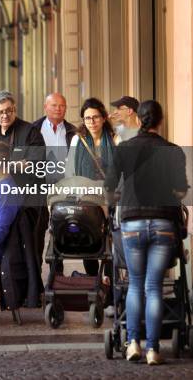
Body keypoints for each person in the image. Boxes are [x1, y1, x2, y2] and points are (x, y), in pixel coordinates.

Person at [105, 100, 188, 365]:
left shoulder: (124, 149)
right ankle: (153, 349)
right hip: (164, 222)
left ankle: (133, 345)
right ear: (161, 121)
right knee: (154, 287)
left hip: (132, 222)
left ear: (139, 121)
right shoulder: (173, 151)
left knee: (134, 285)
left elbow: (109, 188)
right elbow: (181, 192)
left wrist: (121, 196)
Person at [0, 90, 46, 266]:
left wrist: (5, 167)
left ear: (15, 109)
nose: (5, 115)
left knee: (31, 252)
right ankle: (11, 292)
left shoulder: (30, 132)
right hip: (3, 203)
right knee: (7, 253)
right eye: (0, 112)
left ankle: (34, 291)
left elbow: (37, 163)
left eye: (8, 110)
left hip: (30, 203)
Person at [64, 98, 116, 286]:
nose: (91, 122)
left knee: (110, 243)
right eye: (87, 118)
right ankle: (95, 282)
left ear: (103, 118)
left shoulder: (114, 138)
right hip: (85, 196)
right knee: (87, 239)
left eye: (95, 117)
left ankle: (110, 290)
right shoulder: (78, 140)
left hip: (110, 198)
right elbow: (70, 170)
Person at [33, 92, 76, 181]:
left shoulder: (74, 132)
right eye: (54, 105)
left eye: (62, 106)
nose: (58, 109)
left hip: (66, 184)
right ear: (45, 107)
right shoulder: (33, 129)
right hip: (40, 183)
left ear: (66, 108)